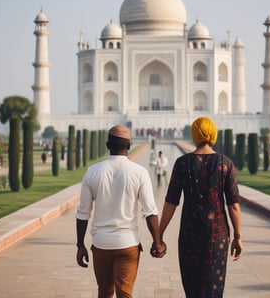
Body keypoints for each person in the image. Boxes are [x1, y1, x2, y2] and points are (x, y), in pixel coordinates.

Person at [152, 117, 243, 298]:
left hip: (190, 234)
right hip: (217, 235)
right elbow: (233, 205)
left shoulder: (182, 163)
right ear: (213, 134)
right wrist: (238, 237)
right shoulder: (225, 163)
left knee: (192, 290)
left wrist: (159, 235)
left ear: (194, 135)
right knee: (214, 289)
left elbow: (171, 203)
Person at [76, 124, 166, 298]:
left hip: (101, 243)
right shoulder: (139, 172)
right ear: (129, 145)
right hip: (128, 243)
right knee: (125, 294)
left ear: (108, 145)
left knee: (104, 292)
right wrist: (157, 242)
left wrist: (80, 245)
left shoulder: (93, 172)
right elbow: (150, 211)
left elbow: (83, 213)